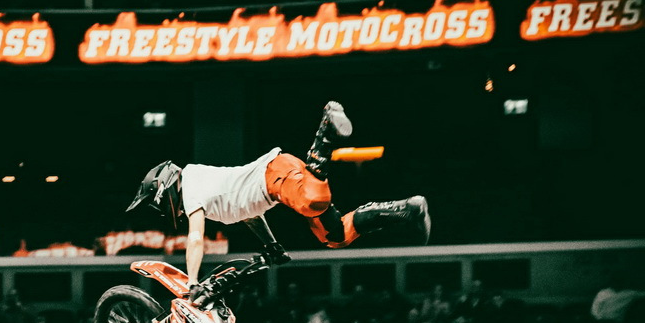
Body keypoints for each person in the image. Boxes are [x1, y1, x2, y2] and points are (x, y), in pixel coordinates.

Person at [126, 101, 431, 294]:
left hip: (277, 175)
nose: (160, 210)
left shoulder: (191, 186)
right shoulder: (205, 193)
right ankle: (407, 210)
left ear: (164, 188)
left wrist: (192, 281)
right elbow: (249, 213)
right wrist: (270, 244)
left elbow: (195, 239)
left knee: (312, 201)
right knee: (334, 236)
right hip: (280, 182)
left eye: (156, 202)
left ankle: (325, 133)